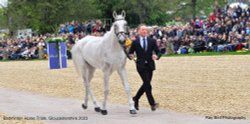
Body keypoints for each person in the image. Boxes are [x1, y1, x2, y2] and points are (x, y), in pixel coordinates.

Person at [128, 24, 161, 111]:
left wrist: (156, 56)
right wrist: (130, 56)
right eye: (142, 30)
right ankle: (152, 103)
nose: (144, 31)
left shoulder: (152, 41)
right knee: (147, 84)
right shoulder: (135, 42)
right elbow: (130, 53)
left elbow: (158, 52)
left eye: (145, 30)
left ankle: (135, 98)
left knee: (146, 84)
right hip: (140, 66)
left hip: (150, 65)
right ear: (138, 31)